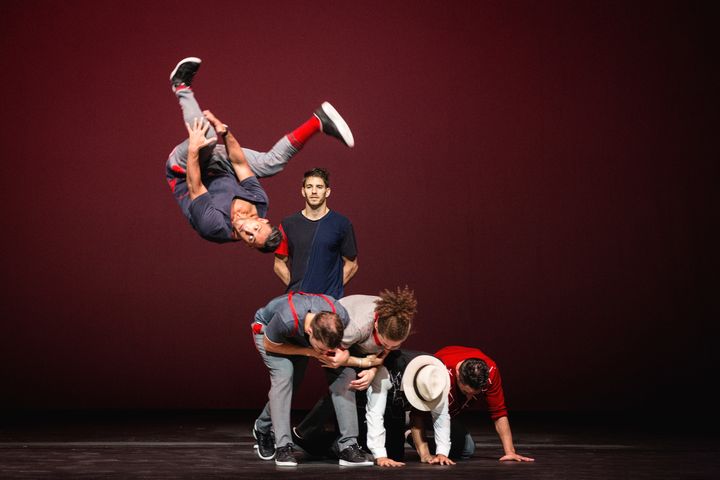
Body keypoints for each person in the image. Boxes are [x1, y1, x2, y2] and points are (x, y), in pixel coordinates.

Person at [165, 57, 354, 252]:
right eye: (255, 228)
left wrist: (195, 148)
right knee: (270, 163)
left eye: (250, 238)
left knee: (207, 138)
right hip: (219, 169)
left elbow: (194, 186)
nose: (247, 230)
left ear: (247, 244)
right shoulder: (259, 202)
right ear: (261, 219)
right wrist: (226, 133)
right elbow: (239, 164)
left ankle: (181, 85)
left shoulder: (214, 227)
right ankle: (318, 121)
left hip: (184, 171)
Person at [251, 292, 372, 467]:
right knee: (285, 379)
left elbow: (343, 346)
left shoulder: (340, 315)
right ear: (309, 332)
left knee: (345, 374)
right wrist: (309, 352)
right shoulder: (287, 318)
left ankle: (348, 445)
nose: (323, 353)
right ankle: (283, 446)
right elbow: (270, 344)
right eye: (321, 349)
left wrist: (342, 354)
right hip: (268, 333)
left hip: (303, 340)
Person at [291, 287, 417, 451]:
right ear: (377, 324)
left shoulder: (398, 324)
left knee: (387, 365)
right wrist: (362, 363)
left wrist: (373, 370)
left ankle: (303, 432)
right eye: (385, 343)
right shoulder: (356, 327)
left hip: (361, 348)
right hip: (337, 343)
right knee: (346, 381)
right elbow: (331, 356)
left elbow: (386, 350)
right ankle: (345, 444)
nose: (389, 347)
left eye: (396, 344)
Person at [428, 345, 535, 462]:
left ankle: (411, 436)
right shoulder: (442, 371)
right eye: (465, 392)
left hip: (448, 414)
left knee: (467, 449)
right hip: (423, 407)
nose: (469, 398)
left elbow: (499, 412)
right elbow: (419, 409)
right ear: (458, 375)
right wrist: (425, 453)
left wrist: (510, 452)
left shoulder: (491, 371)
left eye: (474, 394)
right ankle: (412, 432)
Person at [273, 168, 358, 298]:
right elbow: (279, 263)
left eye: (319, 187)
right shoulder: (288, 224)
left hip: (329, 301)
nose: (314, 191)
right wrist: (295, 290)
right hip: (298, 301)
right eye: (309, 187)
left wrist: (333, 291)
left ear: (327, 192)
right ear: (303, 191)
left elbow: (352, 264)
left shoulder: (342, 224)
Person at [365, 352, 454, 467]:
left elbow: (441, 416)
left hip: (396, 405)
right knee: (371, 454)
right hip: (362, 397)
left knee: (395, 455)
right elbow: (375, 413)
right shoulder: (386, 372)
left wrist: (442, 453)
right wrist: (380, 455)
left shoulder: (435, 377)